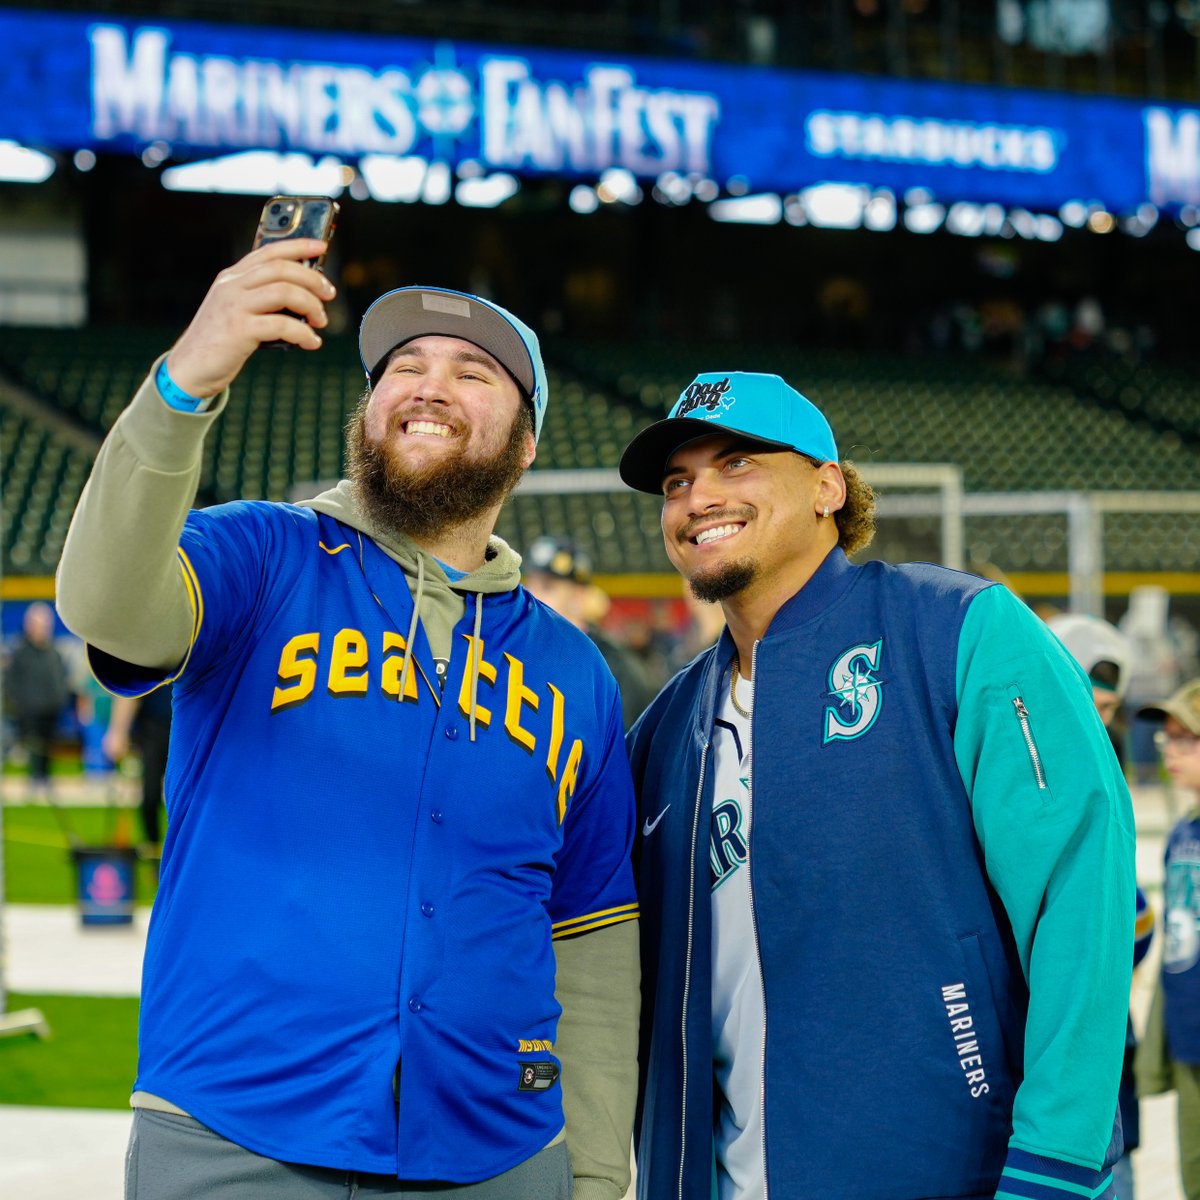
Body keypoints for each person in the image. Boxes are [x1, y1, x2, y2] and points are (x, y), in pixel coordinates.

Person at [55, 235, 639, 1200]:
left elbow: (592, 932)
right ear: (365, 413)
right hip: (237, 1139)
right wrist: (187, 380)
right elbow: (108, 606)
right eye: (402, 367)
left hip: (502, 1157)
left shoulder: (576, 670)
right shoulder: (258, 552)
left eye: (472, 371)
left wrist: (595, 1173)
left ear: (528, 443)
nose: (428, 383)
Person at [617, 371, 1134, 1200]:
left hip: (961, 1172)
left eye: (737, 463)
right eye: (677, 483)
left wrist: (1059, 1167)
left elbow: (1080, 894)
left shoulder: (960, 630)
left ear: (827, 486)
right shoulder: (665, 729)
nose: (697, 497)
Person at [1047, 612, 1153, 1200]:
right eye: (1089, 701)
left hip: (1099, 1031)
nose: (1096, 721)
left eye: (1109, 711)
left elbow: (1134, 920)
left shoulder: (1101, 772)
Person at [1135, 679, 1200, 1200]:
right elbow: (1178, 952)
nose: (1171, 750)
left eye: (1189, 739)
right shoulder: (1183, 832)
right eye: (1169, 738)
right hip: (1188, 1038)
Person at [523, 534, 657, 730]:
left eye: (547, 587)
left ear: (579, 597)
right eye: (529, 585)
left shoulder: (613, 669)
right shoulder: (525, 655)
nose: (531, 596)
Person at [4, 601, 72, 798]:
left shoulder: (54, 652)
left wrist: (59, 698)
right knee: (34, 747)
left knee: (48, 747)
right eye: (40, 624)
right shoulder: (20, 652)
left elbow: (61, 678)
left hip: (51, 710)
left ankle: (45, 779)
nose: (43, 629)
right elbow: (12, 683)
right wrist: (21, 703)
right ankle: (35, 781)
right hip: (30, 711)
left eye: (46, 625)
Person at [102, 687, 173, 852]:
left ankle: (179, 854)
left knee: (185, 799)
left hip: (185, 726)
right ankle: (153, 849)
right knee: (150, 796)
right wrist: (118, 732)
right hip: (153, 728)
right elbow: (129, 690)